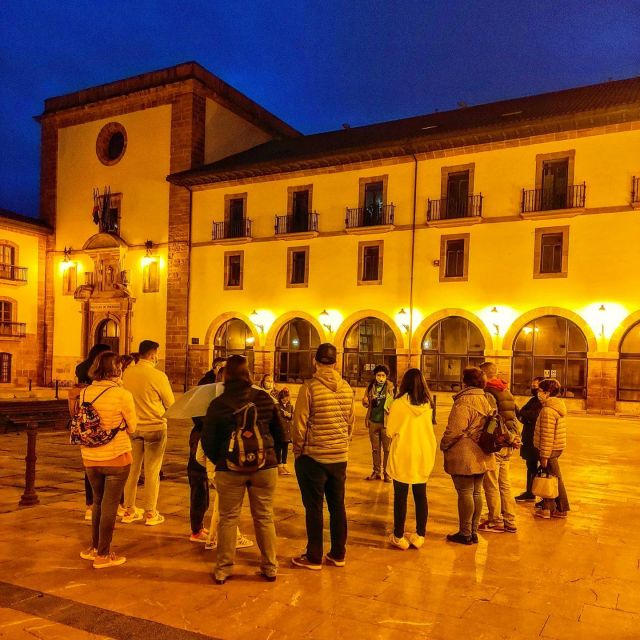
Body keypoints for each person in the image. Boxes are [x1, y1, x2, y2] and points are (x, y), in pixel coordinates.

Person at [201, 355, 284, 584]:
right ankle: (270, 566)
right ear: (250, 373)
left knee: (228, 518)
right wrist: (268, 454)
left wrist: (221, 458)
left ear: (225, 375)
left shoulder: (218, 404)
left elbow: (207, 440)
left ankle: (224, 569)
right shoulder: (264, 399)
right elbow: (280, 435)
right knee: (265, 516)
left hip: (229, 469)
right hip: (265, 467)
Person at [291, 343, 355, 570]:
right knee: (338, 505)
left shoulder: (310, 388)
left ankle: (314, 556)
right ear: (336, 362)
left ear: (315, 362)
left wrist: (298, 451)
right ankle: (338, 553)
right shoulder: (347, 388)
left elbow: (299, 424)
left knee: (314, 507)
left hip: (314, 457)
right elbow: (350, 424)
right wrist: (341, 445)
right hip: (339, 457)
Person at [78, 351, 136, 568]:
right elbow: (132, 426)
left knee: (97, 503)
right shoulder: (122, 394)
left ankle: (94, 547)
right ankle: (103, 554)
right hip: (116, 457)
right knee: (110, 505)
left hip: (90, 457)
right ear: (117, 370)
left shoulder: (85, 393)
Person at [440, 366, 496, 545]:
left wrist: (444, 444)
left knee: (465, 492)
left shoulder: (464, 401)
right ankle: (472, 532)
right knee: (476, 492)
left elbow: (455, 429)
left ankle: (465, 533)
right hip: (482, 452)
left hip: (465, 453)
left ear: (466, 381)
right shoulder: (485, 398)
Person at [121, 340, 175, 526]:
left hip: (133, 427)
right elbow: (170, 403)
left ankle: (129, 510)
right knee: (152, 471)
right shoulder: (158, 376)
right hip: (155, 427)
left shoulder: (127, 373)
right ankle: (150, 513)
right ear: (153, 355)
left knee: (132, 471)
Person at [386, 369, 436, 551]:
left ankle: (398, 535)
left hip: (403, 452)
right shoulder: (428, 404)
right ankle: (420, 535)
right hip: (423, 452)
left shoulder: (398, 404)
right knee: (420, 495)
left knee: (400, 496)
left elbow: (390, 430)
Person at [477, 362, 522, 534]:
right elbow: (513, 416)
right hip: (509, 443)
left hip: (498, 444)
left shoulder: (488, 393)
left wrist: (488, 439)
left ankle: (495, 520)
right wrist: (514, 438)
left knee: (491, 483)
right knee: (505, 483)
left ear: (484, 374)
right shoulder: (505, 390)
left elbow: (492, 421)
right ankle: (510, 520)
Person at [71, 343, 111, 520]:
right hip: (103, 422)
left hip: (85, 424)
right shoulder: (103, 374)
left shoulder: (80, 369)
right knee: (111, 469)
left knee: (90, 468)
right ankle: (113, 505)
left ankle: (90, 505)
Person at [533, 378, 570, 519]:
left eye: (540, 391)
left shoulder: (548, 410)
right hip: (555, 447)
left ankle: (561, 508)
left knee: (555, 478)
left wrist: (544, 456)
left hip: (550, 449)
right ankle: (548, 507)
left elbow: (547, 435)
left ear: (548, 393)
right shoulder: (555, 406)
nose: (538, 393)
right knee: (549, 477)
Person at [362, 365, 394, 482]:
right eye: (378, 375)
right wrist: (365, 401)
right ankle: (376, 472)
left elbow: (397, 402)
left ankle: (387, 473)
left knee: (387, 449)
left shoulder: (391, 388)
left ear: (386, 377)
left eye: (383, 376)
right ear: (375, 376)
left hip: (386, 423)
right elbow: (365, 402)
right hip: (373, 421)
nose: (381, 378)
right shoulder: (371, 387)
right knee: (375, 449)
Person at [515, 376, 544, 502]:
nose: (533, 389)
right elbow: (522, 413)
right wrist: (522, 414)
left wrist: (523, 414)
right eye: (532, 386)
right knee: (530, 465)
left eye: (536, 387)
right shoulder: (533, 400)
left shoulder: (542, 403)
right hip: (528, 437)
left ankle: (545, 495)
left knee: (543, 468)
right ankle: (530, 492)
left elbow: (532, 416)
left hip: (537, 439)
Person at [276, 388, 294, 475]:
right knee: (278, 449)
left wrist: (289, 415)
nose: (286, 399)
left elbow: (293, 417)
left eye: (287, 397)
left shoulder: (290, 406)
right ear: (280, 398)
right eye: (284, 398)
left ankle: (284, 464)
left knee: (285, 448)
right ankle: (279, 465)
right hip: (279, 431)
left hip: (287, 431)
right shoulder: (277, 406)